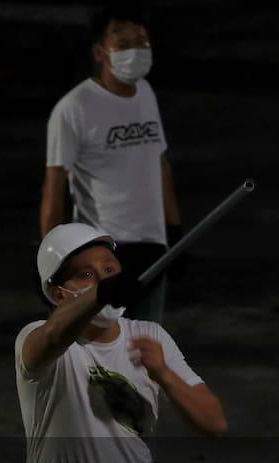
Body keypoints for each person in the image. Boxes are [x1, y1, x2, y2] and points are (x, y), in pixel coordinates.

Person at [15, 223, 227, 463]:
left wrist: (164, 375)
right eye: (86, 275)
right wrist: (101, 293)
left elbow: (214, 423)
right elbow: (53, 336)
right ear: (58, 293)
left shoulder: (150, 336)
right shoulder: (36, 339)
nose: (103, 279)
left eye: (109, 270)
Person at [41, 6, 182, 324]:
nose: (136, 50)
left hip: (152, 249)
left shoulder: (145, 94)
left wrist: (174, 230)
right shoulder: (73, 108)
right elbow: (55, 185)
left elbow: (159, 163)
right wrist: (51, 261)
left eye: (141, 41)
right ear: (100, 52)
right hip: (102, 254)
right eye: (123, 43)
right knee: (99, 346)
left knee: (145, 343)